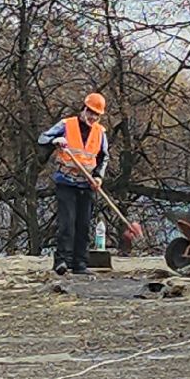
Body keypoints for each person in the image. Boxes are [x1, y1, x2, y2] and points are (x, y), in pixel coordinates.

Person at [38, 93, 109, 275]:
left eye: (97, 115)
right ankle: (62, 261)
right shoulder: (66, 125)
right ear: (84, 109)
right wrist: (55, 140)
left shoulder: (100, 132)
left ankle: (80, 264)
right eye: (90, 112)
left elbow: (103, 157)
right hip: (66, 182)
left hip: (87, 184)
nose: (92, 117)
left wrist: (99, 176)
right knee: (67, 223)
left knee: (83, 225)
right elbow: (42, 139)